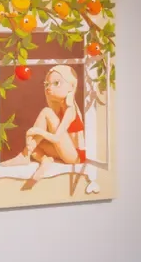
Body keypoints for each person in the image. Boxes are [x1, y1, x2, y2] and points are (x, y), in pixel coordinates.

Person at [20, 63, 92, 191]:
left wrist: (38, 131)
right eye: (47, 84)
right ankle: (44, 160)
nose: (49, 88)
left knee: (46, 112)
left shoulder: (71, 110)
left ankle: (24, 155)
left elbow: (56, 138)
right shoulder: (61, 109)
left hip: (76, 156)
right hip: (67, 151)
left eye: (56, 83)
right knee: (37, 147)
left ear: (71, 86)